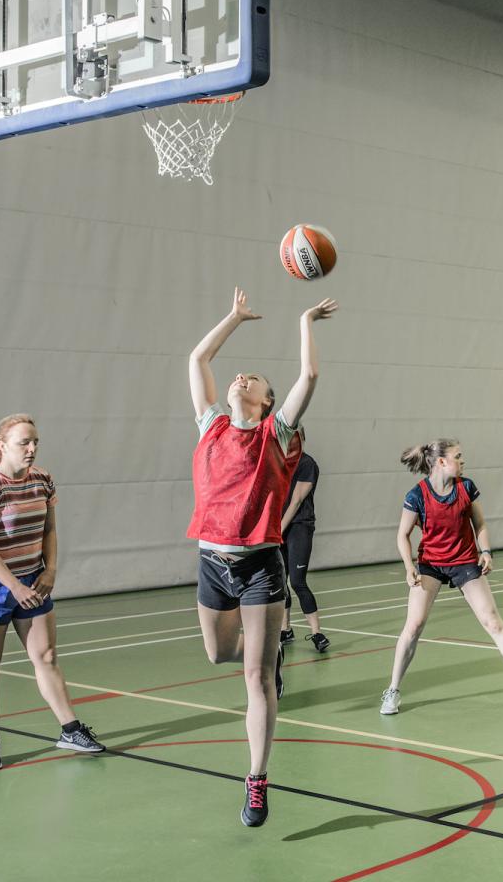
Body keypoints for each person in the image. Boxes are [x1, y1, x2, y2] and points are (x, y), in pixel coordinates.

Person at [187, 286, 336, 826]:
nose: (239, 378)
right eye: (238, 375)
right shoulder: (212, 426)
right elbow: (198, 359)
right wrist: (232, 318)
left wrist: (304, 321)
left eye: (253, 379)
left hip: (258, 566)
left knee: (256, 678)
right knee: (218, 655)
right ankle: (264, 646)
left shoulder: (277, 435)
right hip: (212, 562)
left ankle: (256, 779)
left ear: (268, 401)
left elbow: (310, 377)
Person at [0, 414, 105, 771]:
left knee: (47, 656)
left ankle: (70, 729)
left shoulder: (43, 480)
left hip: (34, 579)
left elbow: (50, 531)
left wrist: (50, 571)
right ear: (2, 446)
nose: (31, 449)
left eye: (35, 442)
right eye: (24, 442)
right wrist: (14, 587)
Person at [378, 439, 503, 716]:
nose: (463, 461)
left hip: (465, 562)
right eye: (458, 456)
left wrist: (486, 551)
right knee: (414, 625)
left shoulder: (466, 487)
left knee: (493, 622)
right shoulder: (417, 495)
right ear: (441, 462)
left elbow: (480, 524)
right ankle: (393, 690)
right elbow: (402, 535)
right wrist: (409, 566)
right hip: (430, 564)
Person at [279, 433, 328, 653]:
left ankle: (317, 633)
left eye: (294, 439)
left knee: (297, 581)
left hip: (299, 527)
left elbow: (296, 500)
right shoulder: (276, 462)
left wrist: (279, 529)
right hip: (276, 529)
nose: (289, 443)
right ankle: (285, 629)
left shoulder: (307, 464)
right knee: (279, 582)